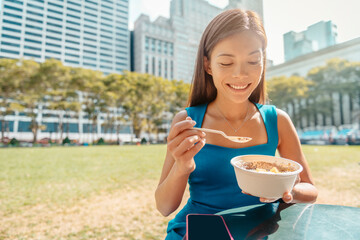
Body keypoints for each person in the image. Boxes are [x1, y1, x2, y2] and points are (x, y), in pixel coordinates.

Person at [155, 9, 318, 240]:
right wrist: (182, 166)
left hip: (260, 231)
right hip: (199, 231)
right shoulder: (189, 121)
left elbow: (311, 191)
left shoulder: (277, 120)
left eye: (253, 61)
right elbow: (164, 207)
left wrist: (287, 190)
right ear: (208, 65)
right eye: (226, 62)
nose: (240, 74)